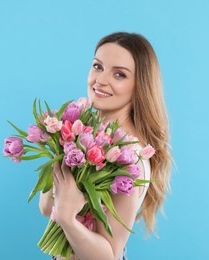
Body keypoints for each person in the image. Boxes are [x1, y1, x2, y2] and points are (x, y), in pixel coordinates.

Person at [39, 32, 172, 260]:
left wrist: (67, 217)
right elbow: (45, 207)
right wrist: (60, 145)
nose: (100, 80)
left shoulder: (131, 157)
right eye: (98, 66)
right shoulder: (82, 134)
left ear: (140, 85)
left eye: (119, 74)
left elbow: (108, 256)